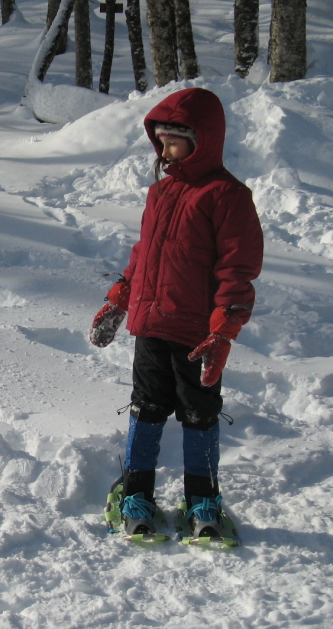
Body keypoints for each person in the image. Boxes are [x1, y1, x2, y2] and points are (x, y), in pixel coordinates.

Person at [89, 87, 264, 539]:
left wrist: (224, 329)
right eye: (160, 141)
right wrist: (119, 298)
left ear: (201, 139)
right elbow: (145, 254)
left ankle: (202, 500)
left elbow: (237, 271)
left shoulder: (227, 195)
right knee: (146, 408)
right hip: (151, 326)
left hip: (196, 333)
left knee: (199, 414)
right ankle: (135, 493)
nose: (163, 151)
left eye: (173, 141)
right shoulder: (161, 193)